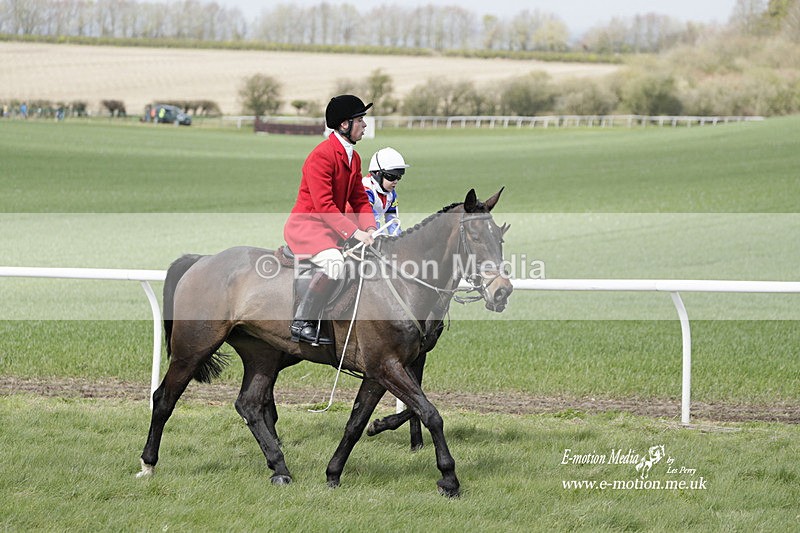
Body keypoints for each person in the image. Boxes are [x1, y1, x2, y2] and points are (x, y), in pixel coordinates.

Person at [283, 95, 377, 345]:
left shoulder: (354, 158)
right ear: (344, 124)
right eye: (360, 120)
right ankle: (302, 322)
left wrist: (370, 228)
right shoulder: (322, 156)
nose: (365, 125)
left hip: (332, 228)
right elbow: (324, 206)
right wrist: (355, 233)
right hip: (308, 227)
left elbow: (359, 200)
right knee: (335, 263)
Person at [362, 147, 409, 236]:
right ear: (377, 174)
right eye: (391, 177)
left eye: (399, 177)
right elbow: (372, 221)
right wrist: (382, 238)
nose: (395, 181)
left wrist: (398, 240)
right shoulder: (366, 190)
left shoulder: (391, 194)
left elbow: (393, 220)